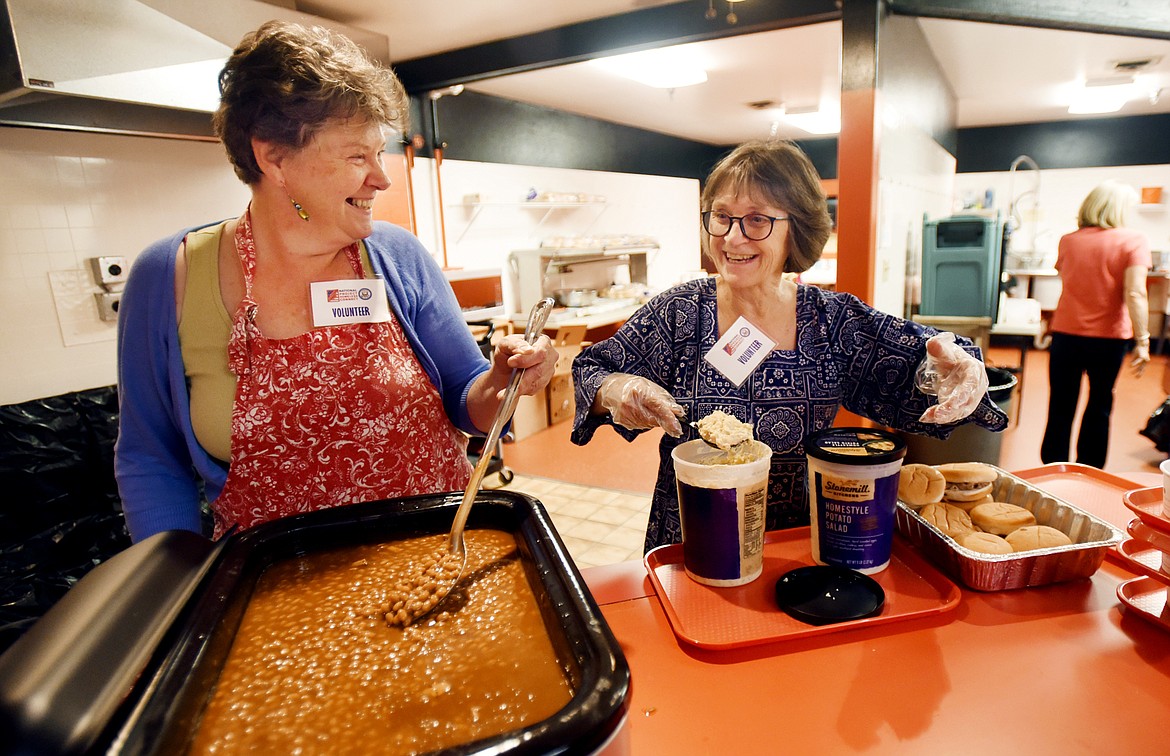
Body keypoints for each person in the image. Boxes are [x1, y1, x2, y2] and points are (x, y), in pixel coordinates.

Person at [114, 21, 557, 542]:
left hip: (432, 557)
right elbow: (150, 458)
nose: (382, 177)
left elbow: (467, 399)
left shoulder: (396, 256)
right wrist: (177, 592)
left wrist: (502, 381)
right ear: (273, 158)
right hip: (276, 583)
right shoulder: (172, 276)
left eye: (379, 151)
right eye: (356, 156)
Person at [570, 139, 1008, 552]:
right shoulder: (680, 312)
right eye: (721, 216)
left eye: (757, 219)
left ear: (794, 229)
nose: (732, 237)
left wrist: (955, 370)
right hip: (693, 533)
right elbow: (593, 368)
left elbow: (919, 366)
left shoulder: (829, 320)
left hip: (800, 538)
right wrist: (616, 391)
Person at [1040, 181, 1151, 468]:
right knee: (1099, 405)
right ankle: (1088, 469)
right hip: (1109, 338)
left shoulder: (1068, 240)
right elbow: (1135, 292)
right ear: (1118, 209)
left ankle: (1053, 468)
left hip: (1065, 334)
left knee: (1060, 405)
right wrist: (1143, 340)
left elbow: (1065, 274)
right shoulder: (1133, 240)